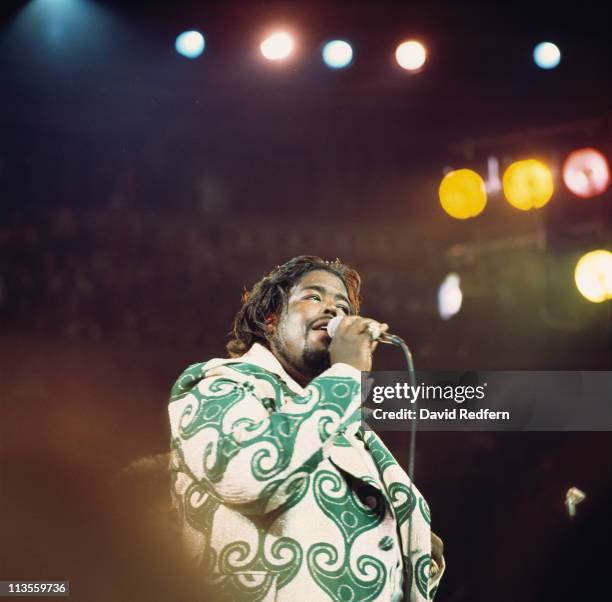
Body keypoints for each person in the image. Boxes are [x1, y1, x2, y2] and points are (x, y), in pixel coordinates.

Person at [168, 255, 444, 601]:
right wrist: (346, 376)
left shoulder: (342, 421)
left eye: (342, 306)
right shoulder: (218, 386)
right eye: (313, 297)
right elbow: (247, 476)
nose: (332, 311)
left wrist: (409, 543)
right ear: (270, 320)